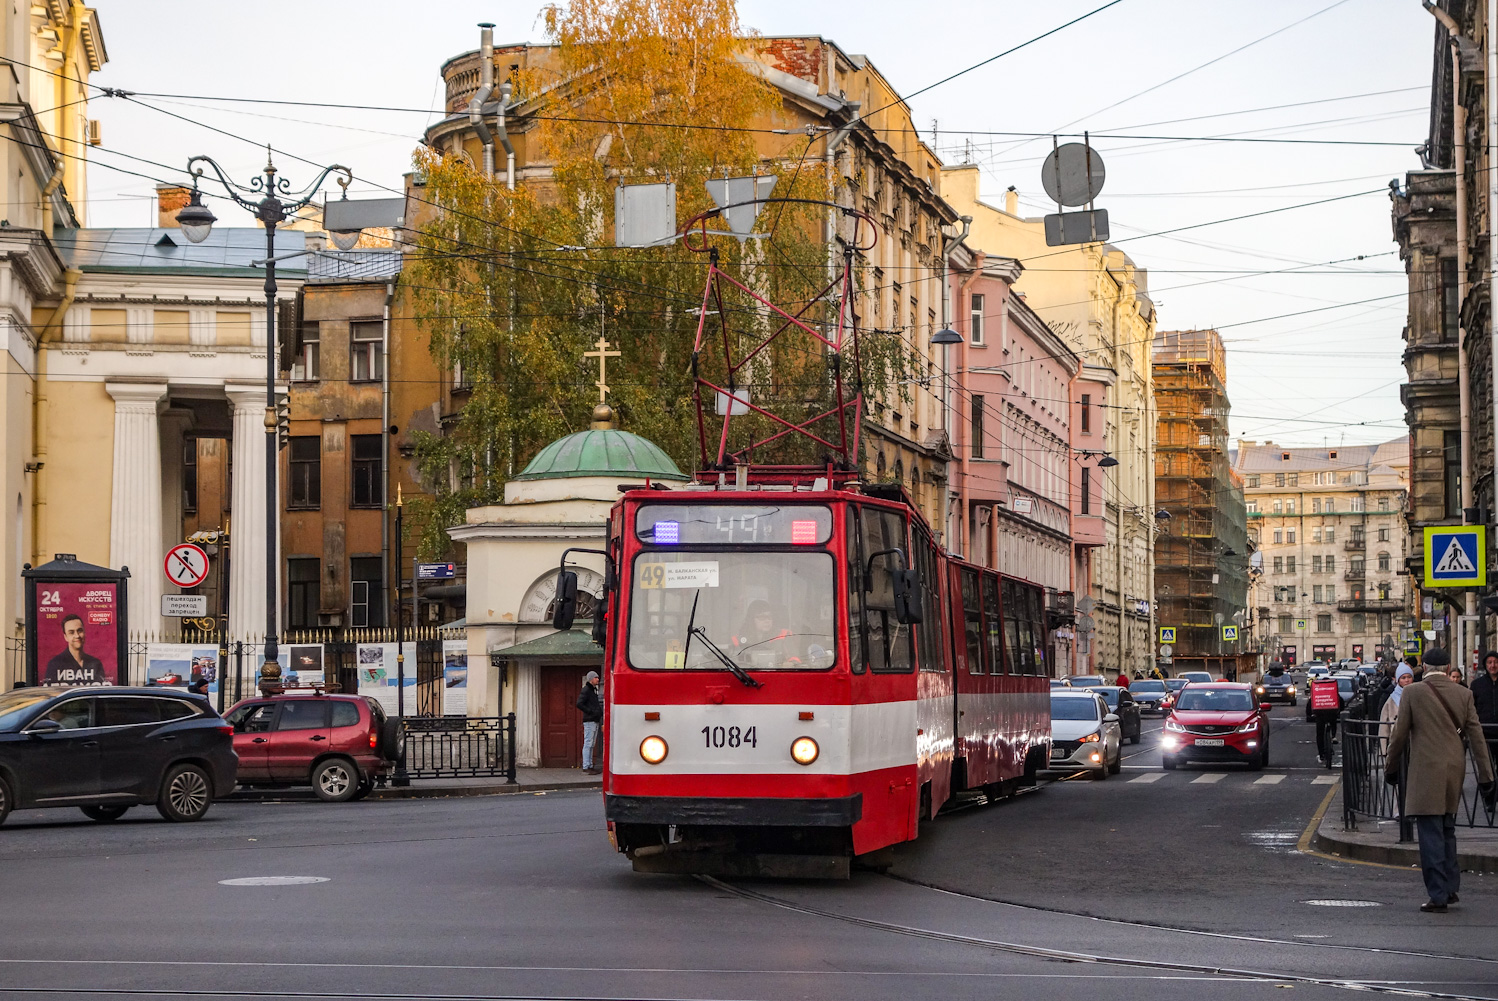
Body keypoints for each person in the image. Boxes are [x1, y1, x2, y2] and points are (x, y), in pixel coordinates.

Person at [1385, 650, 1496, 912]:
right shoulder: (1464, 694)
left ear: (1423, 667)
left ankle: (1438, 895)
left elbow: (1398, 735)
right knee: (1447, 829)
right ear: (1448, 668)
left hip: (1425, 771)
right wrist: (1486, 777)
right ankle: (1451, 887)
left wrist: (1391, 767)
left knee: (1430, 834)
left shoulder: (1413, 693)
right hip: (1454, 770)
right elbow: (1477, 738)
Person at [42, 614, 105, 685]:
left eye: (80, 631)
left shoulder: (96, 663)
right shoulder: (55, 664)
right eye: (71, 632)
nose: (77, 636)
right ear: (65, 637)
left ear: (84, 632)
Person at [732, 600, 799, 666]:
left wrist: (790, 664)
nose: (767, 621)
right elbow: (733, 662)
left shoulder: (783, 635)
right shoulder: (738, 640)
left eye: (769, 617)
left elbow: (795, 659)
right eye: (762, 617)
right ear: (751, 619)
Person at [1473, 651, 1498, 779]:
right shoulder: (1477, 685)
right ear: (1485, 665)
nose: (1493, 665)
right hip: (1484, 733)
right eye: (1489, 662)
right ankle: (1488, 796)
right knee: (1486, 770)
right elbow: (1472, 708)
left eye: (1495, 662)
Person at [1308, 673, 1343, 767]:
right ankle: (1333, 736)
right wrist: (1341, 712)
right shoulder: (1333, 692)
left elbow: (1309, 704)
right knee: (1333, 722)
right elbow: (1341, 702)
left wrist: (1309, 715)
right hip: (1332, 714)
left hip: (1319, 716)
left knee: (1319, 734)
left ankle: (1321, 754)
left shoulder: (1317, 692)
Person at [576, 670, 603, 774]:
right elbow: (579, 703)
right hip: (590, 720)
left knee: (591, 743)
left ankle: (590, 765)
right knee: (588, 743)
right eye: (596, 678)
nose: (597, 679)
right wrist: (591, 712)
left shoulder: (592, 690)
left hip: (594, 719)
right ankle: (586, 765)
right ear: (591, 679)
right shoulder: (586, 690)